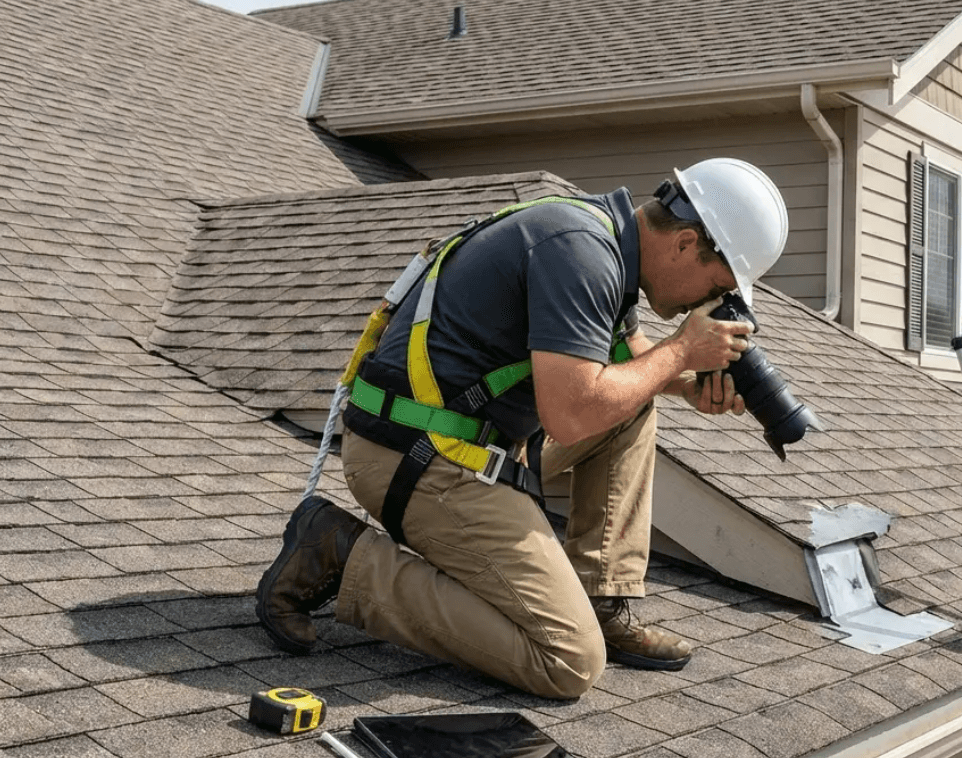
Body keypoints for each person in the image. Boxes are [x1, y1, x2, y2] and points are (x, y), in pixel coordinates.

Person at [255, 158, 789, 699]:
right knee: (568, 662)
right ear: (685, 243)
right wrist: (680, 353)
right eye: (714, 287)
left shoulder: (607, 242)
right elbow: (573, 413)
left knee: (634, 401)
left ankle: (598, 599)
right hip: (416, 454)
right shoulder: (580, 252)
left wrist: (686, 381)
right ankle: (343, 558)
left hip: (455, 442)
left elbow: (632, 363)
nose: (706, 306)